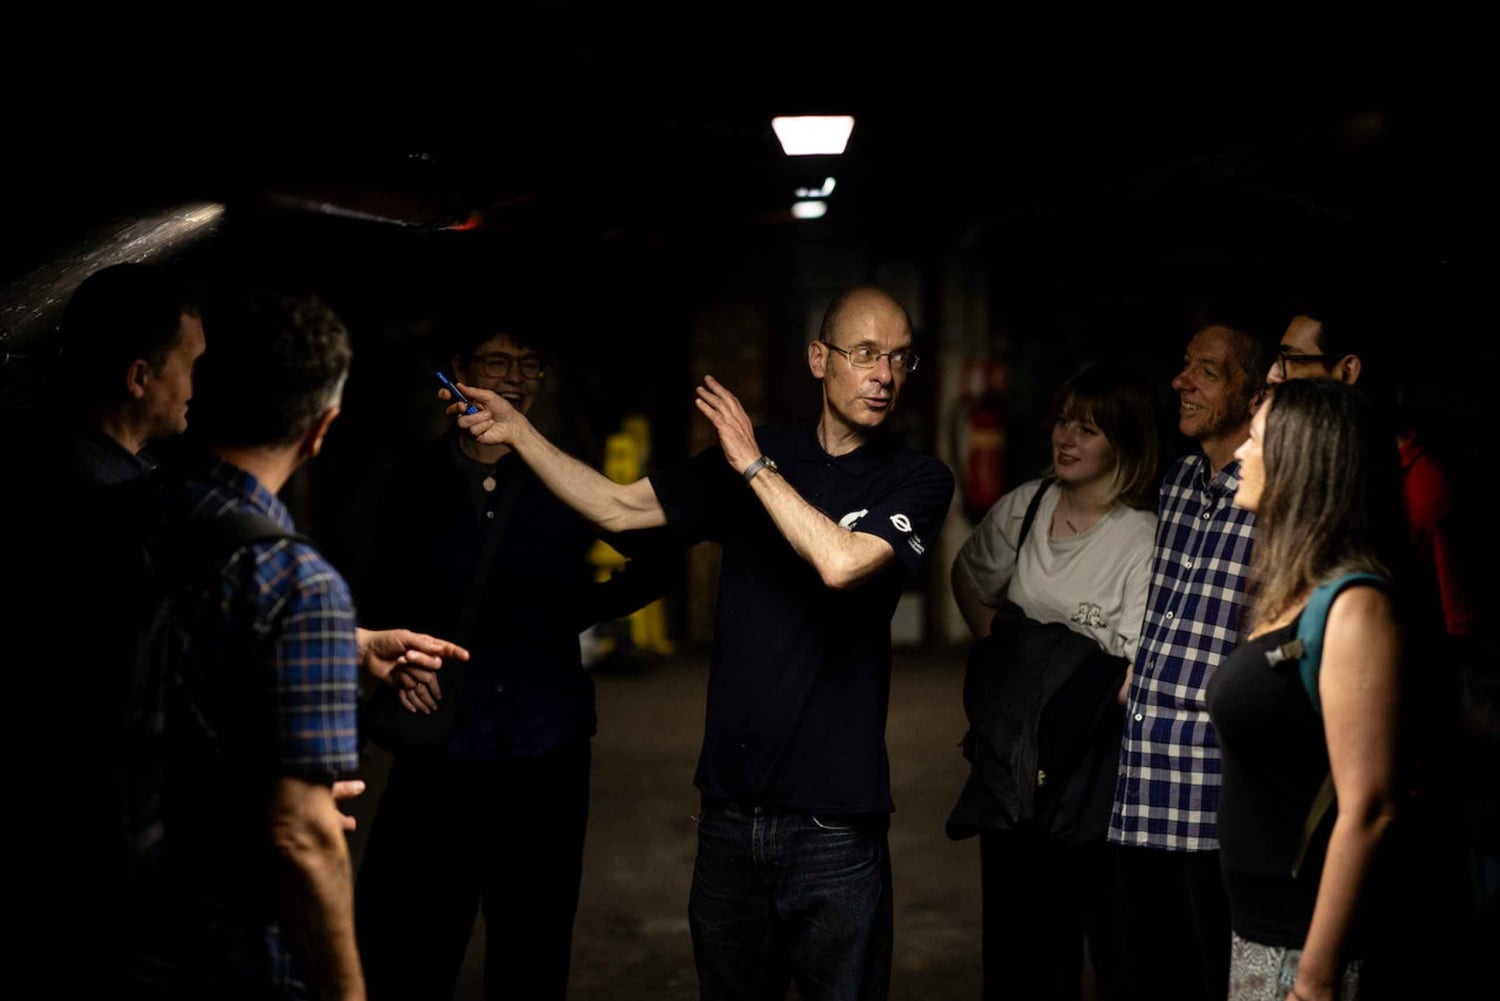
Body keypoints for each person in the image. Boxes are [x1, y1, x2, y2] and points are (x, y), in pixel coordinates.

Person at [446, 286, 954, 1000]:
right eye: (865, 352)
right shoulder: (765, 450)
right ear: (819, 358)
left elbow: (841, 562)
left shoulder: (918, 477)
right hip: (729, 816)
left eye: (900, 358)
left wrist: (752, 466)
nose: (884, 374)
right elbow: (619, 507)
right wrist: (519, 434)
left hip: (835, 825)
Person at [141, 290, 460, 998]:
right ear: (322, 428)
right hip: (226, 948)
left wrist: (342, 644)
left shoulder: (137, 504)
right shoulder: (297, 582)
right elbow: (303, 835)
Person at [355, 309, 667, 1000]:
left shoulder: (563, 477)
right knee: (410, 947)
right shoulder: (412, 478)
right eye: (497, 363)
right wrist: (399, 658)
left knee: (532, 950)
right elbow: (373, 586)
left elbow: (655, 562)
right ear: (459, 376)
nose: (516, 380)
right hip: (442, 750)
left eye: (529, 365)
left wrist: (572, 610)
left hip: (544, 751)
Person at [950, 363, 1160, 1000]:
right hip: (1011, 761)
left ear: (1123, 444)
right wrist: (1008, 657)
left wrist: (1055, 681)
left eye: (1089, 429)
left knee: (1100, 937)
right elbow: (969, 575)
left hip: (1091, 774)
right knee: (1016, 946)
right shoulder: (1026, 505)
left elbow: (1133, 668)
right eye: (1064, 421)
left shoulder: (1139, 539)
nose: (1066, 438)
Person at [1206, 378, 1404, 1000]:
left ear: (1301, 460)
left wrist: (1314, 983)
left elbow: (1369, 806)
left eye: (1257, 439)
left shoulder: (1355, 605)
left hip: (1308, 945)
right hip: (1260, 929)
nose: (1239, 451)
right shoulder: (1293, 591)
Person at [1109, 321, 1271, 1000]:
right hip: (1143, 772)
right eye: (1184, 366)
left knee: (1214, 970)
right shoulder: (1176, 481)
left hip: (1213, 781)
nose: (1182, 382)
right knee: (1151, 966)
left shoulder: (1271, 491)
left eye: (1206, 371)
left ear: (1253, 393)